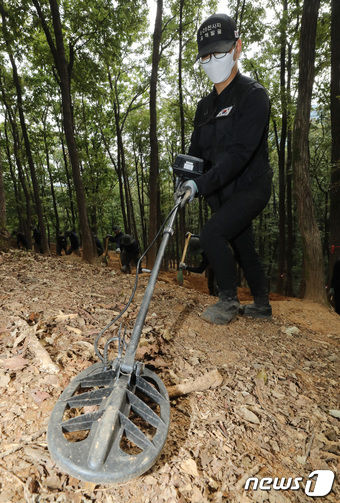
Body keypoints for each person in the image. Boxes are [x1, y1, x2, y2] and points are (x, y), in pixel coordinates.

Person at [175, 13, 272, 325]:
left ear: (237, 48)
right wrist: (186, 179)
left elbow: (239, 155)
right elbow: (196, 152)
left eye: (219, 52)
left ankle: (228, 300)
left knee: (213, 233)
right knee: (242, 245)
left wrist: (201, 185)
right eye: (206, 55)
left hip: (250, 187)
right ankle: (262, 305)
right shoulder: (204, 107)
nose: (212, 60)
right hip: (220, 191)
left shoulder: (253, 95)